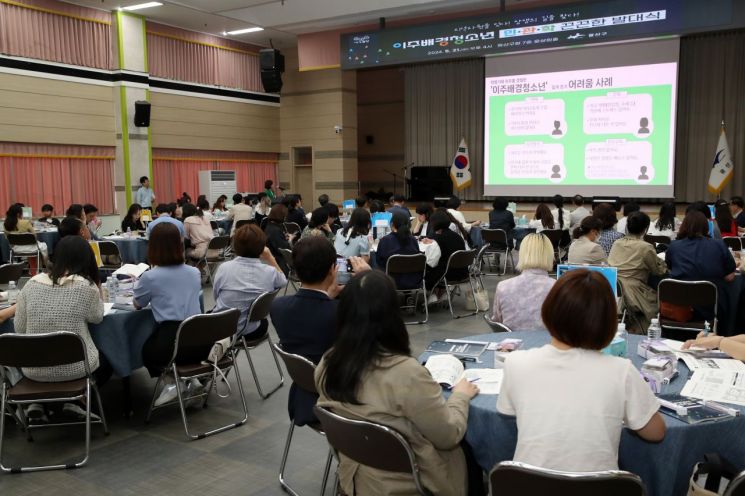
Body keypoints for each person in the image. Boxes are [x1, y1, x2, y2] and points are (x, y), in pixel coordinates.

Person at [315, 270, 480, 496]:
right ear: (393, 314)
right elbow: (448, 435)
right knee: (473, 451)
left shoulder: (326, 364)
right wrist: (460, 395)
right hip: (410, 484)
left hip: (356, 478)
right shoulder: (407, 374)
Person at [497, 269, 665, 472]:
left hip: (528, 486)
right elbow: (656, 432)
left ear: (549, 310)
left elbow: (508, 411)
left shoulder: (516, 363)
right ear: (608, 322)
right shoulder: (621, 371)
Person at [15, 235, 109, 422]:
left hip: (33, 368)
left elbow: (19, 329)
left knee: (43, 357)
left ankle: (37, 403)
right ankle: (77, 401)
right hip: (77, 367)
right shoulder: (86, 287)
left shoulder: (30, 285)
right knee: (107, 361)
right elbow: (97, 318)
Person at [270, 237, 355, 425]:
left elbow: (311, 315)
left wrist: (327, 296)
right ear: (333, 270)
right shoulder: (342, 313)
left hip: (303, 394)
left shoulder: (278, 307)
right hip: (341, 398)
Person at [134, 223, 202, 405]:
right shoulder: (195, 272)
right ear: (179, 245)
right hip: (201, 341)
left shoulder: (150, 277)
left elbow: (137, 304)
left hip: (171, 343)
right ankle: (189, 379)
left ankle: (173, 382)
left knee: (146, 351)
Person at [665, 211, 737, 332]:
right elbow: (730, 277)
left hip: (680, 307)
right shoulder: (719, 244)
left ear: (684, 226)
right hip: (710, 307)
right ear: (705, 226)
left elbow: (671, 270)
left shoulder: (674, 246)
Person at [212, 224, 286, 338]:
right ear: (262, 248)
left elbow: (216, 296)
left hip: (222, 328)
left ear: (235, 245)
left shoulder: (224, 268)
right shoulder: (270, 272)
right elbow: (283, 281)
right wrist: (270, 257)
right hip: (252, 330)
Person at [608, 212, 668, 332]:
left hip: (613, 290)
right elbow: (660, 271)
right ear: (645, 229)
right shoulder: (645, 247)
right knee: (658, 302)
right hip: (635, 292)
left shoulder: (616, 243)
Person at [490, 233, 556, 332]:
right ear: (550, 255)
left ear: (522, 253)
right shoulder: (558, 288)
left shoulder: (503, 287)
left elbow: (497, 323)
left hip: (513, 345)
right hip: (547, 344)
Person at [422, 210, 466, 301]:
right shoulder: (457, 236)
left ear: (433, 224)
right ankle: (442, 292)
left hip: (447, 274)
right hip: (463, 272)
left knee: (427, 267)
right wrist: (433, 242)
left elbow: (431, 262)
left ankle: (433, 293)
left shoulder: (438, 239)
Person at [376, 211, 422, 289]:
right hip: (414, 281)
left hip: (391, 282)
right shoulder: (413, 240)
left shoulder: (385, 240)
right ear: (408, 224)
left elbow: (379, 262)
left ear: (392, 225)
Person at [264, 203, 291, 275]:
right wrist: (290, 240)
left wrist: (284, 237)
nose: (286, 217)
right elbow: (283, 249)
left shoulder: (269, 225)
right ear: (281, 215)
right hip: (278, 263)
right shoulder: (275, 230)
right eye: (285, 215)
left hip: (271, 260)